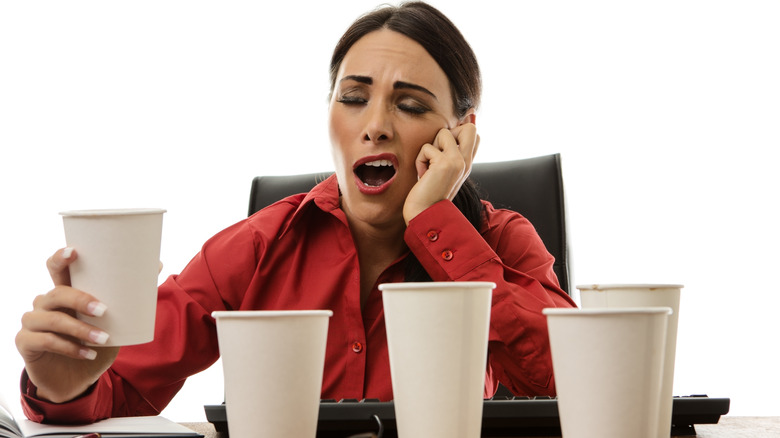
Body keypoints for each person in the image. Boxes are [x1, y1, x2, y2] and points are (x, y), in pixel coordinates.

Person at [15, 1, 576, 424]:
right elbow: (117, 391)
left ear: (461, 133)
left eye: (409, 105)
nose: (374, 124)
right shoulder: (256, 247)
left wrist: (434, 219)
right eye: (353, 98)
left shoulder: (501, 241)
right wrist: (65, 386)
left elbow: (574, 386)